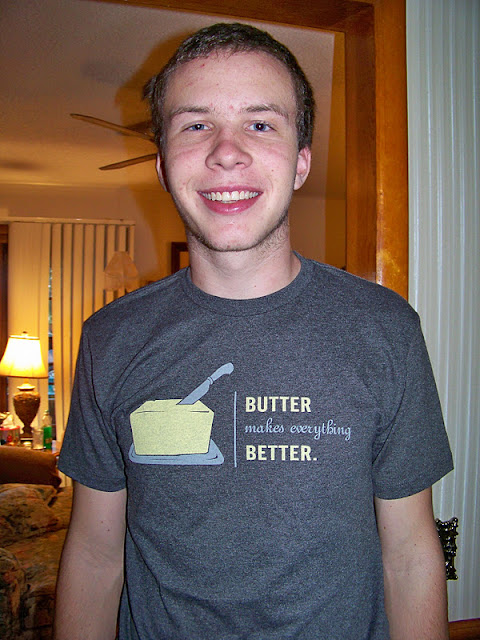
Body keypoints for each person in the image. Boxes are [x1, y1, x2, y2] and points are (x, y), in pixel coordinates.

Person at [54, 22, 453, 640]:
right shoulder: (110, 339)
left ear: (301, 162)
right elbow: (94, 555)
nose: (226, 151)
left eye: (260, 124)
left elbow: (409, 554)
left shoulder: (385, 329)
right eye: (196, 125)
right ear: (162, 164)